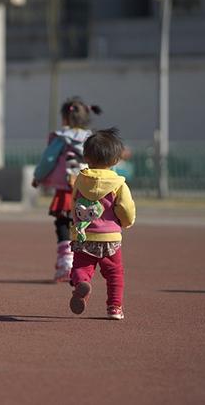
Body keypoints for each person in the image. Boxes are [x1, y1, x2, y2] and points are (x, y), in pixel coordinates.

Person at [31, 97, 101, 283]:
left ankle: (65, 262)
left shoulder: (61, 138)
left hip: (66, 190)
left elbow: (48, 160)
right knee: (84, 227)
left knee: (63, 224)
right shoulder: (93, 140)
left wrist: (38, 177)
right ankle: (83, 267)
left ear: (64, 118)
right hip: (87, 191)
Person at [68, 128, 136, 320]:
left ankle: (82, 283)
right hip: (110, 237)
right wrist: (125, 223)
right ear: (116, 160)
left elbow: (73, 204)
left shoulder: (81, 180)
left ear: (86, 157)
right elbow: (126, 208)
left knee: (81, 268)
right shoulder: (118, 184)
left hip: (84, 235)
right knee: (115, 273)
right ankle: (114, 307)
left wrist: (76, 226)